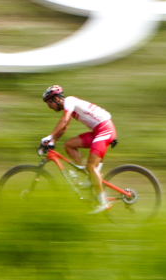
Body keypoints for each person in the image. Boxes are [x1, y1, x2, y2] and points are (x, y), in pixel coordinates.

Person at [41, 84, 121, 214]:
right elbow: (65, 126)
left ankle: (103, 203)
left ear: (55, 99)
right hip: (99, 131)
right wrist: (53, 141)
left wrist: (49, 137)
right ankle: (88, 176)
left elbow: (64, 120)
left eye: (48, 103)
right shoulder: (70, 105)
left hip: (104, 129)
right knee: (69, 145)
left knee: (91, 166)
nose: (49, 107)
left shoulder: (69, 101)